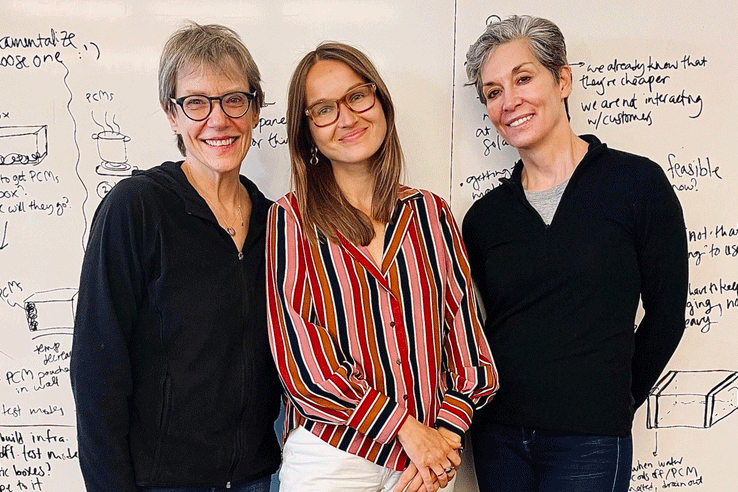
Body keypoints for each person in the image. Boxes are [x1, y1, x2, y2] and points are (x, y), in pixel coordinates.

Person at [462, 15, 688, 492]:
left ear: (563, 79)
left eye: (523, 78)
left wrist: (616, 401)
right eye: (493, 92)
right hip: (498, 437)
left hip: (591, 440)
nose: (510, 101)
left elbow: (667, 316)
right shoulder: (484, 219)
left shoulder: (637, 185)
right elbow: (485, 327)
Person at [266, 42, 498, 492]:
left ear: (381, 102)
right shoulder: (292, 219)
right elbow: (302, 365)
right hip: (333, 458)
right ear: (307, 131)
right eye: (324, 109)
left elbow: (469, 347)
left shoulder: (432, 213)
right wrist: (407, 431)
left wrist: (443, 441)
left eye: (357, 96)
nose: (347, 118)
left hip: (427, 464)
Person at [70, 22, 281, 492]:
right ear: (172, 114)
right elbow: (96, 370)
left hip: (257, 479)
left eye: (234, 99)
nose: (218, 120)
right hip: (162, 483)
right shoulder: (137, 207)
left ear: (255, 109)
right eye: (196, 102)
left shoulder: (274, 222)